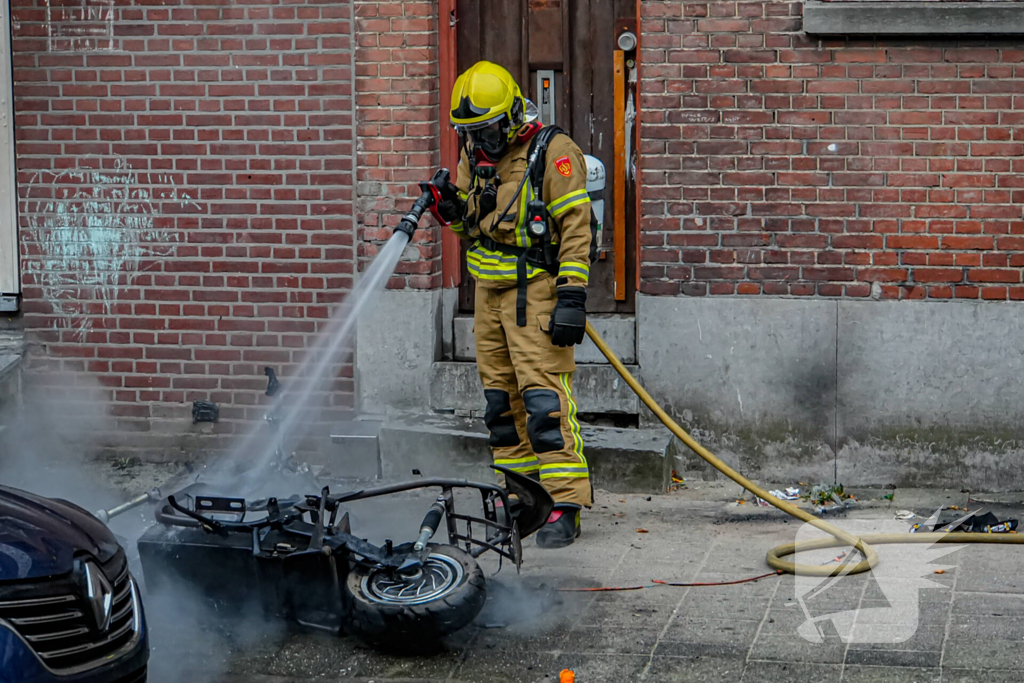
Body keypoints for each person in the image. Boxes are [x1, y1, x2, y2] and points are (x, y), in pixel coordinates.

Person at [427, 61, 595, 548]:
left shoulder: (553, 152)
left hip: (535, 293)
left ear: (513, 114)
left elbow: (577, 229)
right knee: (501, 404)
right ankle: (519, 495)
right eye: (472, 132)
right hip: (488, 294)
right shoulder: (473, 152)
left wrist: (572, 296)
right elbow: (471, 226)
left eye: (488, 129)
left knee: (543, 401)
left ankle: (565, 502)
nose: (481, 140)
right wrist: (451, 212)